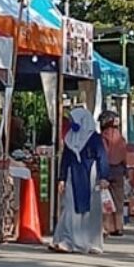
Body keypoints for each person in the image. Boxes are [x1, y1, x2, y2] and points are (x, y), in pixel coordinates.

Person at [51, 107, 109, 254]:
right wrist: (62, 178)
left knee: (92, 210)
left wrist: (104, 177)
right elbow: (65, 159)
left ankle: (92, 242)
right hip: (73, 176)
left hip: (91, 176)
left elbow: (102, 157)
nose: (72, 123)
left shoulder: (94, 138)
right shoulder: (70, 137)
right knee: (71, 208)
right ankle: (68, 241)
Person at [99, 111, 129, 237]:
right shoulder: (120, 138)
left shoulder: (103, 137)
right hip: (119, 170)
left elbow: (102, 154)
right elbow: (124, 155)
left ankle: (107, 227)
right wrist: (126, 169)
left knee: (105, 199)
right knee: (118, 199)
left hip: (106, 169)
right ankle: (119, 226)